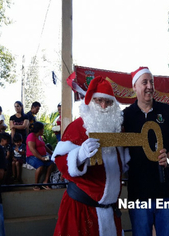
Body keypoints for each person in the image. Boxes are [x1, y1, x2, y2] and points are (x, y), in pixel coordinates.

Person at [52, 75, 129, 236]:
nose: (103, 106)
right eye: (99, 100)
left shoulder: (118, 129)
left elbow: (124, 163)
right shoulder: (78, 127)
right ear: (91, 101)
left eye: (108, 102)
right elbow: (60, 162)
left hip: (110, 212)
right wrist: (79, 155)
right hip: (82, 210)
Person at [123, 67, 169, 236]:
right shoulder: (126, 115)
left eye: (151, 82)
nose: (149, 86)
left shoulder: (165, 110)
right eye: (145, 82)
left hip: (165, 192)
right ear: (135, 87)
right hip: (138, 195)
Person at [26, 122, 54, 190]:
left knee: (51, 163)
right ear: (39, 129)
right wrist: (41, 158)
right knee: (40, 165)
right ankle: (36, 185)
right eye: (42, 129)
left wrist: (52, 153)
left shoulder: (40, 137)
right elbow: (32, 149)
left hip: (42, 156)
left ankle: (45, 182)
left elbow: (44, 146)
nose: (43, 130)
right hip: (31, 157)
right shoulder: (31, 136)